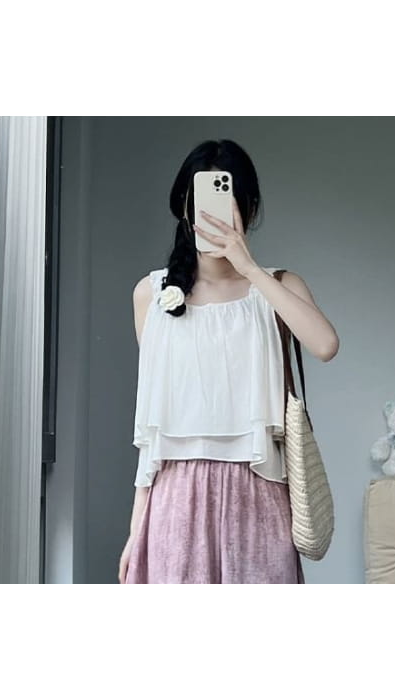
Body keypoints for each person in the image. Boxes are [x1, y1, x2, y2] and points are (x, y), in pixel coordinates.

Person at [119, 139, 339, 584]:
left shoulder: (278, 285)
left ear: (249, 209)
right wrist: (135, 528)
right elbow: (153, 429)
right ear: (185, 209)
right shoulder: (152, 295)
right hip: (175, 497)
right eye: (202, 203)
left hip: (259, 490)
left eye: (227, 203)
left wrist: (250, 267)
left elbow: (325, 345)